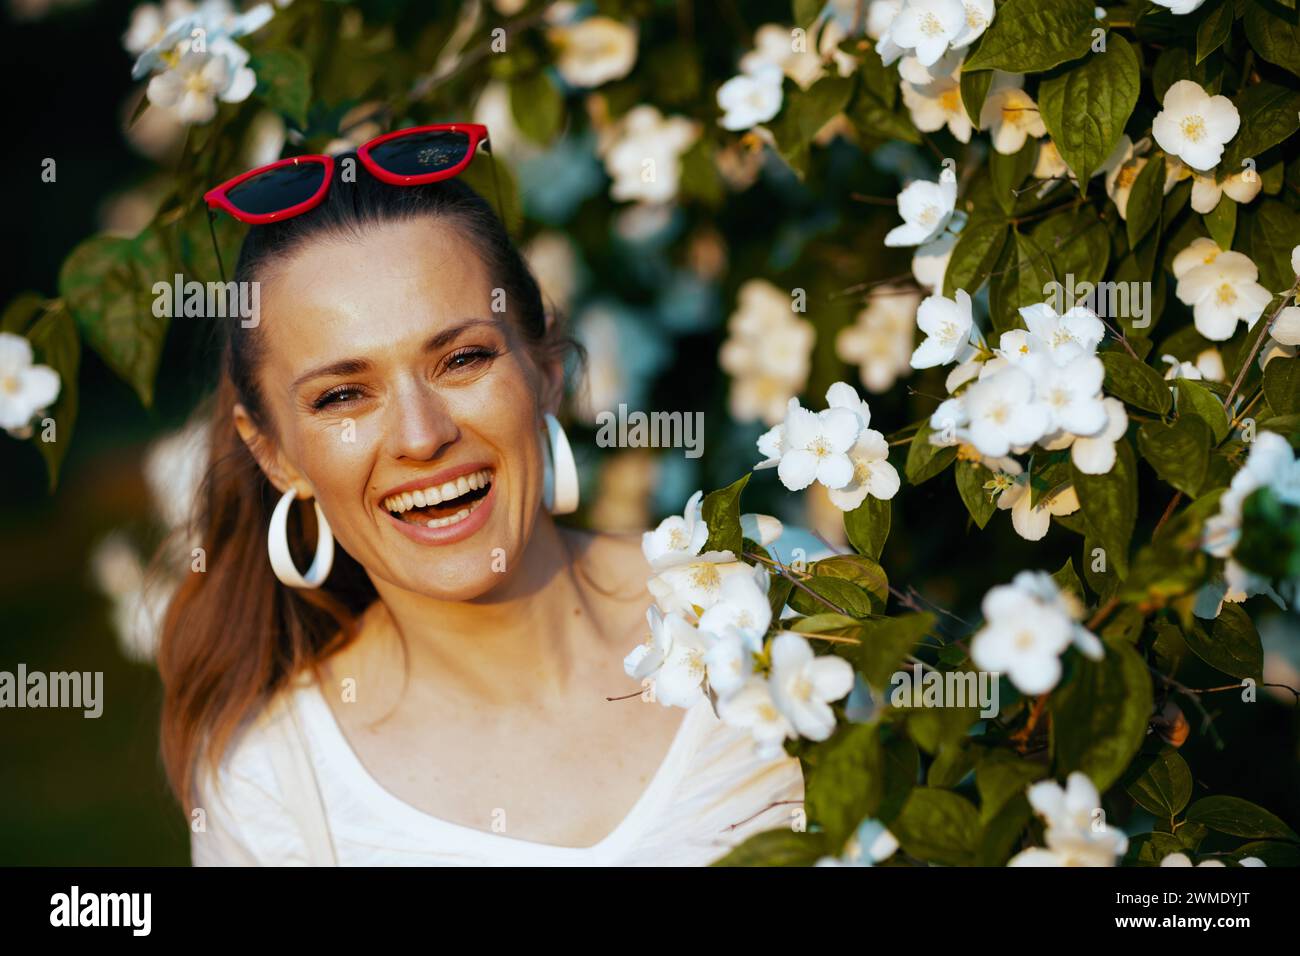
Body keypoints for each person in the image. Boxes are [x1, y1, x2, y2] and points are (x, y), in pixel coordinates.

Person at [158, 139, 806, 865]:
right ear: (272, 451)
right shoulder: (273, 793)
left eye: (461, 359)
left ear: (547, 371)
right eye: (343, 395)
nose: (421, 435)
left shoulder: (777, 596)